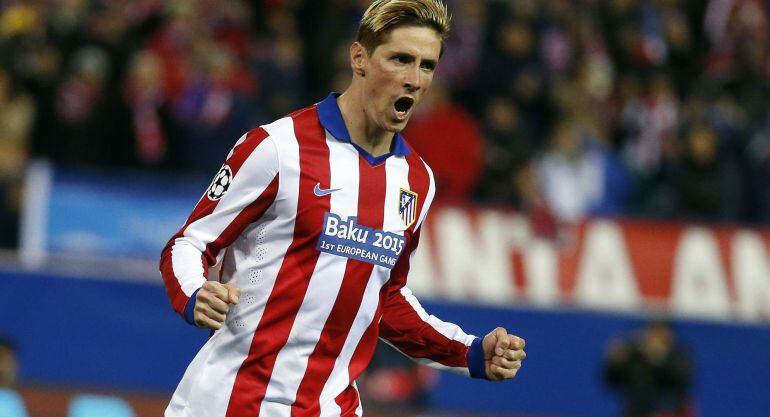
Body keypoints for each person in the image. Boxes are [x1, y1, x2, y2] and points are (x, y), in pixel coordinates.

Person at [159, 2, 526, 416]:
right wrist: (194, 293)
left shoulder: (417, 181)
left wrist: (472, 353)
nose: (413, 79)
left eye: (427, 66)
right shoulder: (278, 148)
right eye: (400, 59)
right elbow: (189, 243)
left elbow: (384, 298)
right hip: (231, 403)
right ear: (359, 59)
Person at [604, 321, 694, 417]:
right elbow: (612, 381)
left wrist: (658, 358)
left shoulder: (679, 356)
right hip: (635, 411)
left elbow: (681, 381)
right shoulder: (636, 357)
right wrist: (615, 364)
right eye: (653, 333)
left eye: (661, 333)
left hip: (668, 411)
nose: (656, 338)